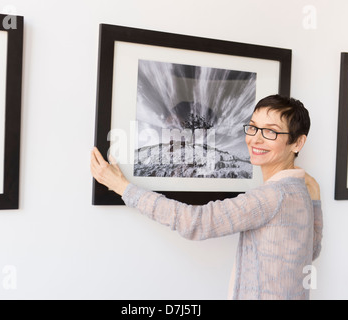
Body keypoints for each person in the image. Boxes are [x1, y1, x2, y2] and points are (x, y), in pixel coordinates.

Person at [90, 94, 323, 300]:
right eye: (252, 127)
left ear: (297, 142)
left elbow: (196, 222)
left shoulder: (273, 195)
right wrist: (316, 201)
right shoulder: (299, 191)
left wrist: (122, 187)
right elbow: (310, 251)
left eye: (270, 131)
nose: (255, 139)